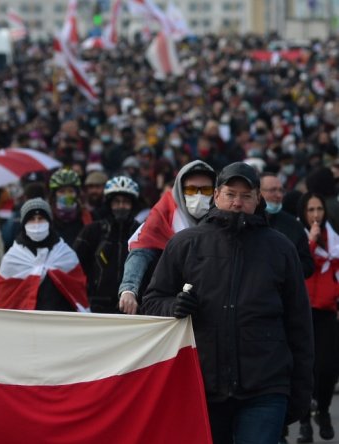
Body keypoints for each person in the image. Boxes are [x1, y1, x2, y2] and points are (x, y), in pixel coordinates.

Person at [142, 162, 314, 444]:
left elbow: (299, 324)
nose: (237, 202)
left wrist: (301, 391)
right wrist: (174, 306)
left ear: (257, 199)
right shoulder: (185, 244)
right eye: (231, 194)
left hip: (265, 386)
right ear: (217, 195)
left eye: (246, 196)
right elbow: (152, 301)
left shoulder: (280, 248)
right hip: (202, 385)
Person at [118, 160, 216, 312]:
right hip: (169, 304)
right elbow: (141, 250)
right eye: (191, 190)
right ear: (179, 190)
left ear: (216, 192)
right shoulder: (163, 213)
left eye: (206, 190)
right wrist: (129, 290)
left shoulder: (222, 217)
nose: (198, 196)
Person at [296, 192, 339, 443]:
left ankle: (322, 410)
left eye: (319, 209)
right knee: (305, 368)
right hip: (303, 309)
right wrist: (310, 243)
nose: (315, 215)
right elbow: (300, 267)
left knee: (328, 367)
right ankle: (304, 422)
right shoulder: (298, 236)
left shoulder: (332, 238)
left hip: (327, 309)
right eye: (311, 210)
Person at [0, 198, 89, 311]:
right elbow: (4, 299)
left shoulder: (65, 253)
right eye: (31, 219)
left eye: (41, 219)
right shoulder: (12, 258)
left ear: (49, 222)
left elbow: (78, 292)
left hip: (59, 321)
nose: (36, 224)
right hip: (26, 324)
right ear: (24, 224)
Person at [74, 176, 141, 313]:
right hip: (95, 307)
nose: (121, 206)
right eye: (116, 202)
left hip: (132, 307)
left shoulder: (141, 232)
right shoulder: (93, 231)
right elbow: (75, 267)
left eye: (126, 202)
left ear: (133, 204)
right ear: (109, 204)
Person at [259, 173, 315, 279]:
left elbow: (308, 265)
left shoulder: (293, 225)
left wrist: (285, 270)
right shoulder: (247, 220)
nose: (279, 195)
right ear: (257, 192)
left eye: (281, 190)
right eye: (273, 190)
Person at [47, 169, 92, 246]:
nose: (66, 195)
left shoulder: (88, 217)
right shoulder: (47, 219)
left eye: (70, 191)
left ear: (77, 194)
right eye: (62, 191)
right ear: (54, 195)